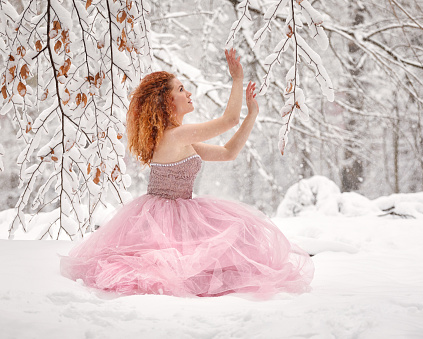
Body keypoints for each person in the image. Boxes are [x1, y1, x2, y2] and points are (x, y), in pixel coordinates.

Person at [60, 49, 314, 297]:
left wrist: (252, 115)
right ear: (167, 101)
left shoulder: (177, 138)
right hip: (163, 216)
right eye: (181, 89)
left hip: (179, 210)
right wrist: (237, 79)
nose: (189, 92)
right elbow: (228, 120)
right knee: (171, 269)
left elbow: (227, 152)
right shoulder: (176, 136)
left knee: (201, 259)